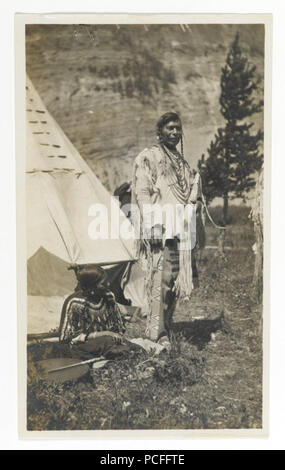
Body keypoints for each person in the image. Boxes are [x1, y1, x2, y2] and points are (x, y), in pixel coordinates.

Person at [131, 112, 202, 341]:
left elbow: (189, 194)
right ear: (160, 131)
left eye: (178, 128)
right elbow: (142, 192)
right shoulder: (149, 156)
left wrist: (195, 190)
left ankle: (166, 327)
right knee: (159, 282)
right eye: (170, 128)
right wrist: (152, 225)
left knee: (172, 282)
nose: (174, 132)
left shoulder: (182, 163)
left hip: (179, 231)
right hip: (160, 230)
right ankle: (155, 334)